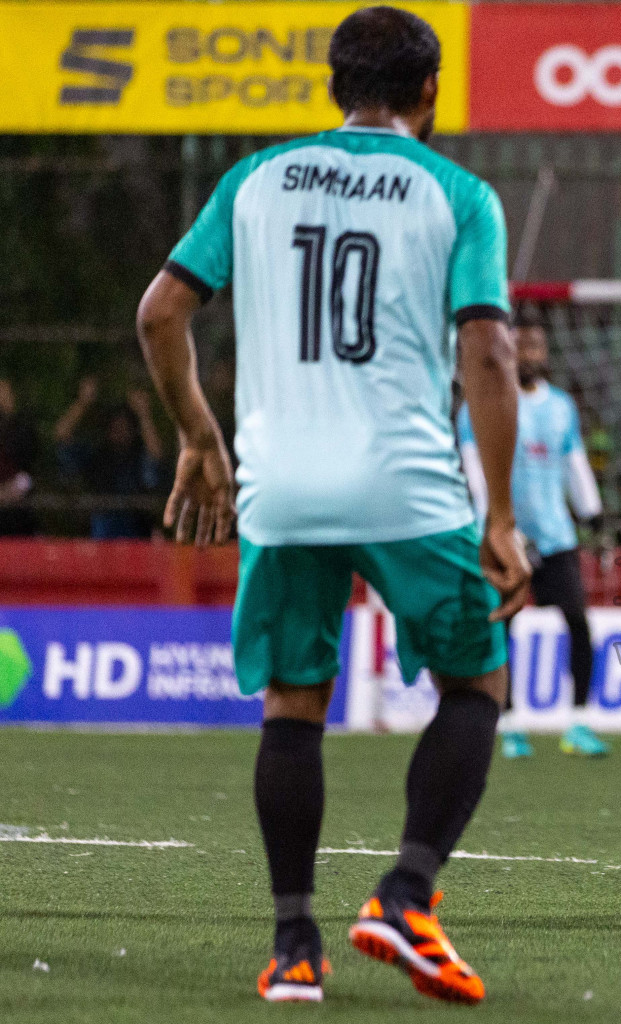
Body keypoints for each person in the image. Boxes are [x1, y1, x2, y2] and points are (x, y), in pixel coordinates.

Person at [133, 6, 530, 1005]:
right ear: (429, 93)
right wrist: (503, 513)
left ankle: (293, 947)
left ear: (334, 87)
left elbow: (159, 313)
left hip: (280, 486)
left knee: (292, 703)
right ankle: (404, 894)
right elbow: (487, 352)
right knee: (478, 682)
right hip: (404, 483)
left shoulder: (255, 179)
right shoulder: (460, 194)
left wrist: (199, 437)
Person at [457, 325, 609, 758]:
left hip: (555, 536)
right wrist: (492, 525)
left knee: (577, 622)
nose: (529, 354)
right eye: (521, 346)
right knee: (502, 626)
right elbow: (474, 471)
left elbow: (574, 464)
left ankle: (578, 723)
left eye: (536, 347)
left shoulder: (561, 407)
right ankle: (509, 724)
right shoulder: (479, 406)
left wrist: (594, 515)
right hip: (505, 537)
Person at [55, 378, 165, 538]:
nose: (119, 431)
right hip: (102, 529)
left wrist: (143, 414)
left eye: (124, 427)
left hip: (137, 528)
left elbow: (157, 456)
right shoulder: (97, 455)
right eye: (115, 427)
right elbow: (61, 436)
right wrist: (82, 403)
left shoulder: (139, 455)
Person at [0, 378, 38, 536]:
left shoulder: (23, 430)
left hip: (17, 517)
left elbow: (28, 475)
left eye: (5, 393)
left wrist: (13, 488)